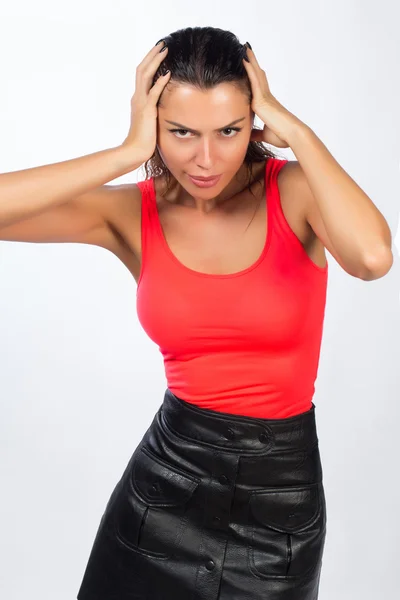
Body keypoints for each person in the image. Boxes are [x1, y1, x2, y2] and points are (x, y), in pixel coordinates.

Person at [0, 26, 392, 600]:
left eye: (229, 131)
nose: (206, 159)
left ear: (256, 121)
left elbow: (372, 258)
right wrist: (125, 154)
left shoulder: (298, 191)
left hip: (280, 503)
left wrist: (300, 133)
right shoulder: (132, 214)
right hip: (163, 490)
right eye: (180, 132)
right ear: (152, 121)